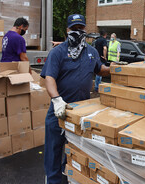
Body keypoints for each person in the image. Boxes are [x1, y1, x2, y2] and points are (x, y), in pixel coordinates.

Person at [40, 14, 111, 184]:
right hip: (59, 110)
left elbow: (99, 70)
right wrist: (56, 99)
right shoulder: (58, 52)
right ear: (67, 30)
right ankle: (53, 179)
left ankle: (70, 175)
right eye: (74, 29)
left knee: (76, 150)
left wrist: (114, 69)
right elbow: (49, 77)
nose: (77, 32)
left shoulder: (91, 52)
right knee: (53, 150)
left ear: (85, 30)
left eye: (80, 28)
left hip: (81, 114)